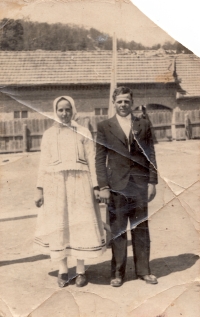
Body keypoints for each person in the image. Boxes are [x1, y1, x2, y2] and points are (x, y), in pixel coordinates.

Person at [34, 96, 106, 288]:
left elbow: (91, 159)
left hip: (80, 184)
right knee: (60, 226)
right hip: (55, 185)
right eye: (60, 110)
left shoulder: (83, 132)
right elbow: (43, 164)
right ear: (55, 111)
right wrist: (40, 190)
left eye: (67, 110)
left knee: (79, 225)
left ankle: (81, 271)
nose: (64, 114)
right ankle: (63, 270)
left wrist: (96, 186)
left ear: (73, 110)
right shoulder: (49, 135)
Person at [95, 86, 158, 287]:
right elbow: (99, 159)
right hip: (116, 186)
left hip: (139, 185)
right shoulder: (105, 126)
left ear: (132, 102)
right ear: (114, 102)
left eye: (127, 101)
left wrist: (152, 182)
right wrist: (103, 186)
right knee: (118, 230)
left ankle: (144, 271)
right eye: (120, 101)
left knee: (141, 229)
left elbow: (151, 155)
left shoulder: (144, 124)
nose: (123, 105)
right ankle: (117, 273)